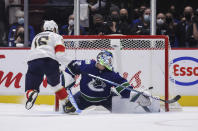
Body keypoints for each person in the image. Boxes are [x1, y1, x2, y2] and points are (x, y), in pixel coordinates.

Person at [62, 50, 158, 114]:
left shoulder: (111, 74)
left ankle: (147, 106)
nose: (108, 63)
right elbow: (71, 67)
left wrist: (135, 94)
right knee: (67, 110)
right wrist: (69, 79)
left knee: (124, 111)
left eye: (110, 61)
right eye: (107, 60)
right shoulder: (86, 65)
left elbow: (123, 87)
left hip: (106, 98)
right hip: (83, 97)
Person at [25, 20, 70, 110]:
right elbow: (60, 53)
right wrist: (65, 65)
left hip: (33, 61)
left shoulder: (36, 36)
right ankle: (67, 104)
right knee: (55, 85)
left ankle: (31, 93)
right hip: (49, 61)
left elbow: (32, 51)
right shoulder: (57, 36)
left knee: (30, 86)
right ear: (53, 28)